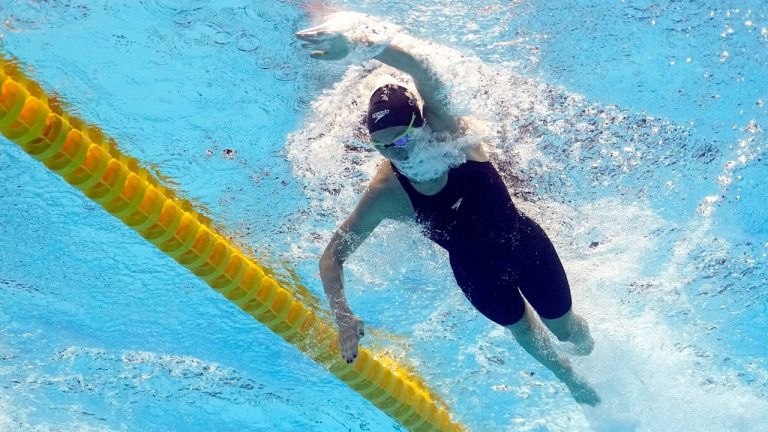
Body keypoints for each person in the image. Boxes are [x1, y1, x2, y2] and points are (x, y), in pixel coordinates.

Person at [297, 15, 600, 406]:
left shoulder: (447, 130)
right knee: (524, 331)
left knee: (569, 332)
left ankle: (593, 356)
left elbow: (421, 67)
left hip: (523, 246)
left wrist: (358, 44)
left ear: (420, 125)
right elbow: (332, 256)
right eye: (383, 147)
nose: (396, 154)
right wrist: (343, 315)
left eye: (402, 140)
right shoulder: (388, 190)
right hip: (475, 276)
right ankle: (570, 381)